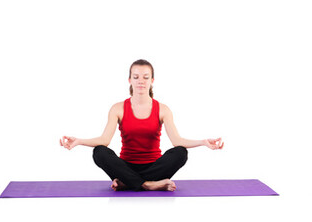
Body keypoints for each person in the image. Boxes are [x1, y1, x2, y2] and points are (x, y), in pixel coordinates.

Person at [60, 59, 224, 191]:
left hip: (154, 166)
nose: (141, 81)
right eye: (136, 77)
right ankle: (148, 184)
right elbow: (104, 139)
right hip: (124, 166)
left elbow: (177, 141)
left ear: (152, 81)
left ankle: (129, 183)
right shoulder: (118, 108)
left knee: (180, 153)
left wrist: (203, 142)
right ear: (129, 80)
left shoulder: (163, 109)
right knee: (99, 152)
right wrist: (79, 141)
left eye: (146, 77)